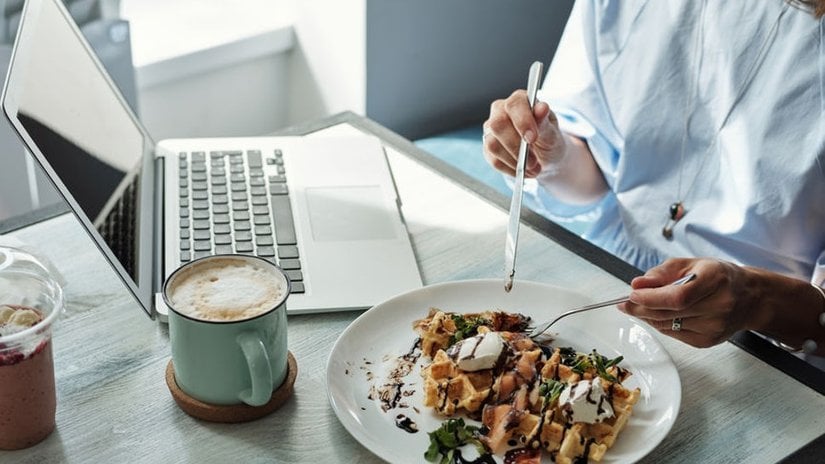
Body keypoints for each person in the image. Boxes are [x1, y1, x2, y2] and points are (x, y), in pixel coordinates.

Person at [482, 0, 825, 355]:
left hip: (763, 344)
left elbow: (817, 315)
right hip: (602, 270)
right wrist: (551, 155)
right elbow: (595, 172)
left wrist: (759, 300)